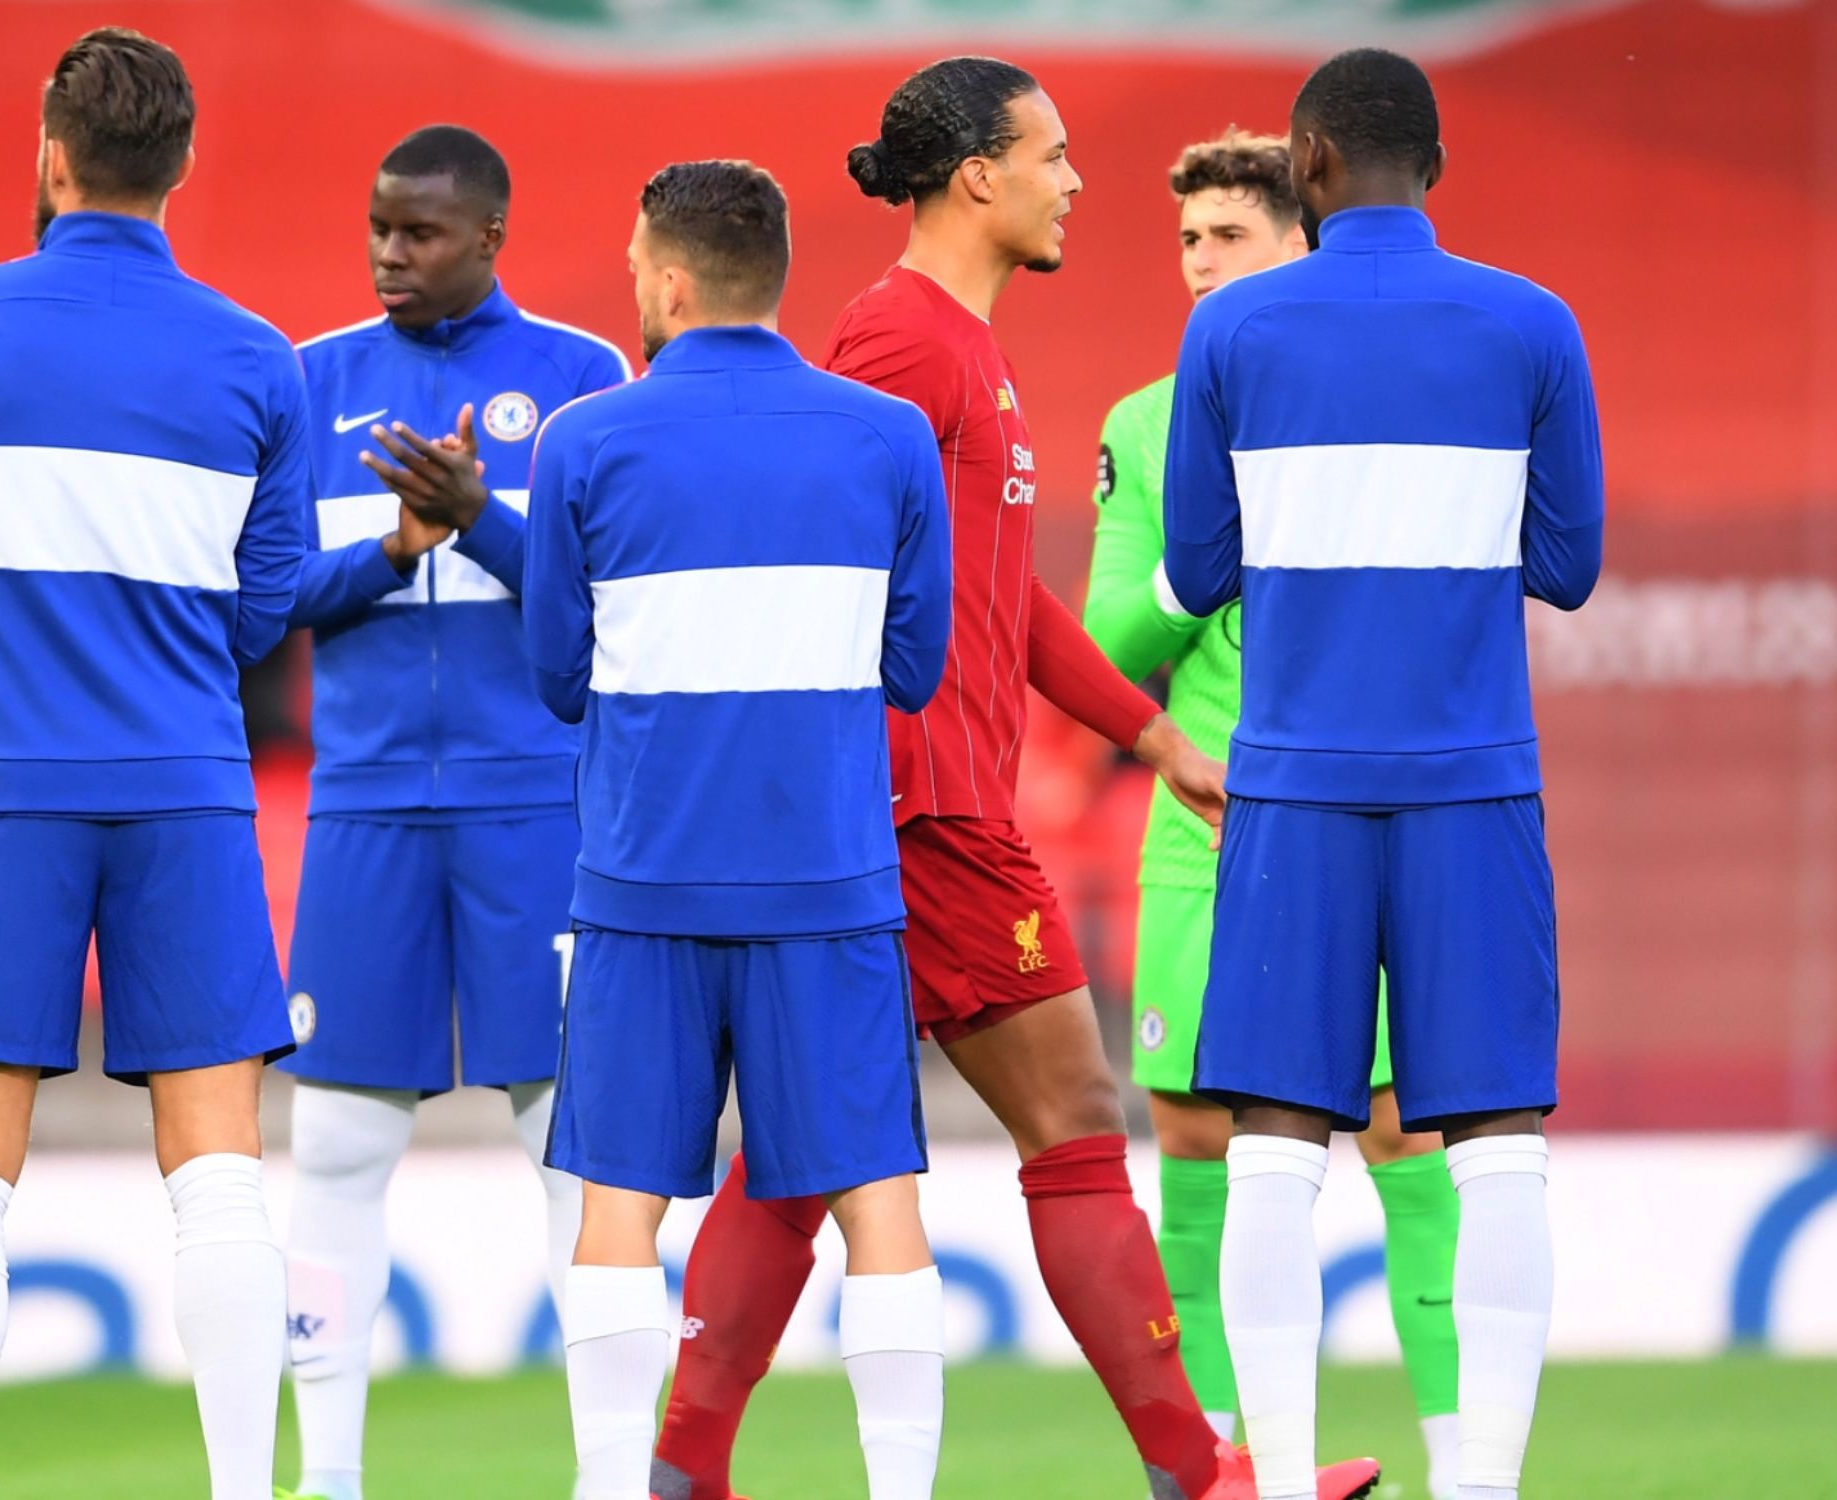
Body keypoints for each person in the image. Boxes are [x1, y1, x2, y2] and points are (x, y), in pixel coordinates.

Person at [651, 57, 1381, 1500]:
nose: (1076, 178)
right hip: (923, 818)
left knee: (805, 1151)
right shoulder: (902, 345)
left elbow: (1007, 602)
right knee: (1071, 1124)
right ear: (977, 176)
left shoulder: (957, 346)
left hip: (896, 814)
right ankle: (1201, 1472)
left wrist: (1153, 735)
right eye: (1051, 155)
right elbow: (821, 547)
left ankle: (682, 1467)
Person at [0, 28, 305, 1500]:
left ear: (50, 159)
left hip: (4, 787)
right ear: (182, 167)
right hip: (186, 787)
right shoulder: (258, 358)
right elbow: (265, 612)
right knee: (222, 1172)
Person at [1163, 49, 1601, 1500]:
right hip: (1473, 781)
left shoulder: (1230, 337)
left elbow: (1197, 571)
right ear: (1439, 166)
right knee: (1494, 1142)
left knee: (1275, 1141)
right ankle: (1484, 1487)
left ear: (1308, 164)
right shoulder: (1535, 324)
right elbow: (1570, 567)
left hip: (1291, 785)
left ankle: (1280, 1485)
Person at [527, 157, 952, 1500]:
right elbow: (917, 665)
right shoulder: (886, 438)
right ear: (775, 280)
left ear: (662, 279)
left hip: (643, 886)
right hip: (827, 884)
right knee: (880, 1202)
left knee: (617, 1209)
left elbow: (555, 675)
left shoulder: (583, 441)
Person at [1083, 129, 1466, 1500]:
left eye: (1227, 238)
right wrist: (1200, 571)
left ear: (1302, 239)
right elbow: (1111, 638)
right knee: (1191, 1135)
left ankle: (1470, 1463)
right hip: (1208, 837)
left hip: (1367, 822)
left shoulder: (1380, 403)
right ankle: (1227, 1464)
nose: (1198, 266)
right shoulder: (1144, 421)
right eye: (1187, 241)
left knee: (1405, 1132)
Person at [276, 121, 624, 1500]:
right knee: (341, 1141)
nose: (386, 255)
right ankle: (332, 1480)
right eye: (376, 229)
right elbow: (266, 600)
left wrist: (480, 518)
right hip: (365, 806)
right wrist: (392, 552)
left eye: (416, 233)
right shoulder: (309, 382)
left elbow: (602, 602)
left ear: (490, 235)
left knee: (565, 1138)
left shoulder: (585, 381)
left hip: (533, 803)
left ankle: (608, 1474)